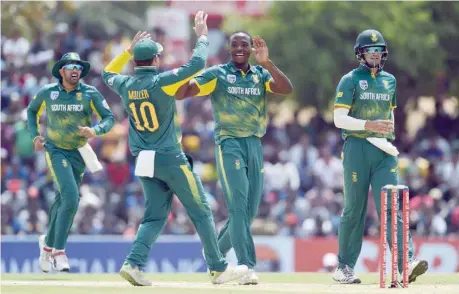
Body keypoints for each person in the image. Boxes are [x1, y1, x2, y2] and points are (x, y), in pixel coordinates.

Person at [101, 11, 248, 286]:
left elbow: (106, 72)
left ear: (136, 61)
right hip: (169, 157)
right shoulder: (162, 82)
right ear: (155, 60)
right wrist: (202, 35)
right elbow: (198, 63)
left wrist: (127, 51)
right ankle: (217, 268)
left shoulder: (126, 84)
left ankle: (133, 263)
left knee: (154, 215)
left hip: (143, 159)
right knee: (202, 210)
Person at [175, 31, 293, 284]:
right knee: (238, 207)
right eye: (234, 45)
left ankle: (213, 256)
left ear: (251, 48)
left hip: (254, 143)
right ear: (229, 49)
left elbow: (286, 89)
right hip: (229, 144)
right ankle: (246, 266)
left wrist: (267, 63)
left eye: (244, 45)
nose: (239, 48)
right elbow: (181, 93)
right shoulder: (217, 74)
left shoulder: (260, 75)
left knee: (248, 212)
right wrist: (192, 69)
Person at [332, 29, 428, 284]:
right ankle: (344, 267)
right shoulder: (350, 80)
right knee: (355, 210)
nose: (375, 54)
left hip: (384, 151)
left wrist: (388, 136)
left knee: (391, 208)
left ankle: (405, 263)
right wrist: (368, 126)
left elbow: (390, 115)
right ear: (360, 53)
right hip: (357, 148)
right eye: (370, 50)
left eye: (378, 50)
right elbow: (338, 118)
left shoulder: (390, 81)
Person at [28, 52, 115, 272]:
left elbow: (109, 118)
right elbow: (31, 111)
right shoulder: (48, 92)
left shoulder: (89, 93)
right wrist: (36, 136)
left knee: (63, 199)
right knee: (71, 196)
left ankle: (46, 244)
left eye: (78, 66)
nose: (75, 70)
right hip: (55, 150)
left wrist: (94, 130)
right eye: (70, 66)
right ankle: (59, 251)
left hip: (79, 153)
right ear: (61, 71)